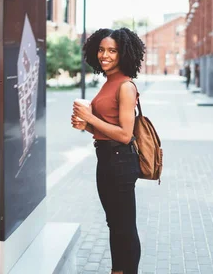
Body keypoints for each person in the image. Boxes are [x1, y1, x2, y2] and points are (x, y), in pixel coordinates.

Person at [71, 27, 145, 274]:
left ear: (123, 54)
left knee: (125, 227)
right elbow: (104, 131)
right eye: (101, 49)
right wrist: (86, 124)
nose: (105, 55)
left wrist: (91, 118)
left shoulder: (125, 86)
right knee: (115, 224)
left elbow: (125, 134)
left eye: (112, 50)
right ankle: (117, 271)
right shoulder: (108, 83)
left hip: (120, 161)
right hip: (106, 158)